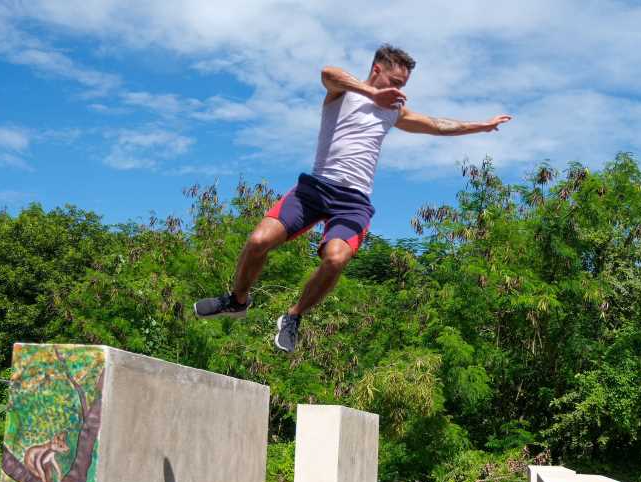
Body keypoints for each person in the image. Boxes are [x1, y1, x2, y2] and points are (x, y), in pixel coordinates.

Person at [194, 44, 511, 352]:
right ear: (377, 71)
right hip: (314, 189)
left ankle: (293, 316)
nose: (400, 91)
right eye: (396, 82)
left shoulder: (394, 111)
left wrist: (479, 127)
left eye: (404, 86)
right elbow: (327, 72)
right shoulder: (342, 93)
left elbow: (436, 126)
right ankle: (237, 300)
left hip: (354, 201)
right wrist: (372, 92)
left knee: (336, 258)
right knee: (259, 239)